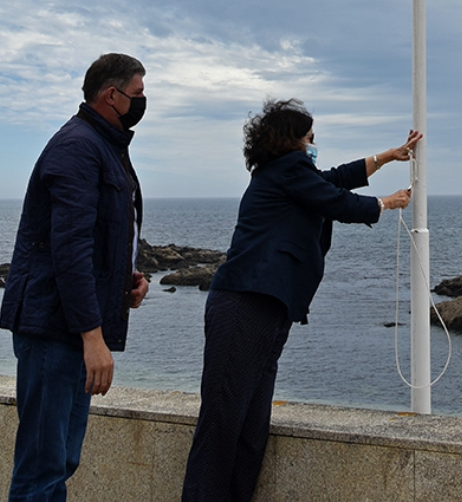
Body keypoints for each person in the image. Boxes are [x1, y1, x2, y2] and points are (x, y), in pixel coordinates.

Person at [180, 99, 420, 502]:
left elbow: (334, 179)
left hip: (269, 309)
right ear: (289, 141)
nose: (314, 144)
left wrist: (387, 157)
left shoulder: (288, 173)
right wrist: (384, 203)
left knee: (251, 429)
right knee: (223, 423)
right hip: (245, 303)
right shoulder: (288, 171)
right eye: (310, 137)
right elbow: (335, 201)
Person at [0, 53, 151, 502]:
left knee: (59, 461)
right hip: (54, 330)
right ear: (112, 95)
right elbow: (69, 249)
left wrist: (124, 281)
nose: (143, 103)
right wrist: (93, 337)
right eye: (139, 95)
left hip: (64, 326)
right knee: (43, 469)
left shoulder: (102, 145)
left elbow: (93, 237)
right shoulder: (78, 147)